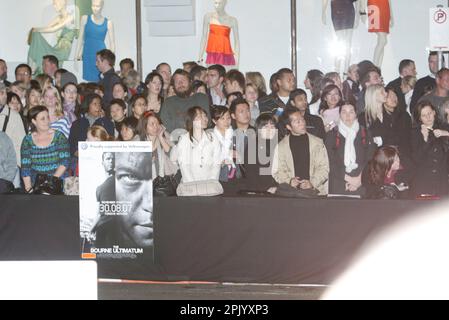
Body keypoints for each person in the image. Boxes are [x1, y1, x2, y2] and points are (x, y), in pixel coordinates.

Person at [94, 151, 153, 249]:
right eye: (108, 159)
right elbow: (98, 213)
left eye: (113, 158)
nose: (111, 161)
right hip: (103, 233)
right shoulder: (99, 188)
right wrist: (91, 229)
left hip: (116, 234)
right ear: (102, 162)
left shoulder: (116, 181)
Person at [272, 110, 329, 196]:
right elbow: (277, 171)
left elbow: (324, 168)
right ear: (289, 127)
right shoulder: (281, 146)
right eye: (297, 122)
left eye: (302, 119)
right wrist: (289, 181)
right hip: (291, 194)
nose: (302, 123)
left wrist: (312, 183)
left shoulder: (317, 143)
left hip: (315, 193)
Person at [325, 103, 375, 196]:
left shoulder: (366, 133)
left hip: (361, 180)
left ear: (356, 114)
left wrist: (359, 180)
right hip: (338, 181)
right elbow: (329, 162)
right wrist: (349, 179)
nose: (348, 116)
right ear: (339, 115)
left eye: (351, 112)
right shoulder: (331, 135)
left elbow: (370, 159)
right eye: (344, 112)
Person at [21, 105, 70, 193]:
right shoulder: (27, 140)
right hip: (36, 185)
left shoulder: (59, 137)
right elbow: (25, 168)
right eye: (42, 119)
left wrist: (50, 182)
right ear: (34, 121)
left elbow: (65, 162)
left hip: (58, 181)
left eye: (47, 117)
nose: (47, 121)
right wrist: (28, 189)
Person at [170, 106, 221, 186]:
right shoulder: (184, 139)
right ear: (192, 120)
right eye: (200, 116)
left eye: (205, 116)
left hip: (209, 185)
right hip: (190, 187)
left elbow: (216, 163)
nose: (205, 119)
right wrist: (192, 185)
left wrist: (212, 182)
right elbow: (184, 167)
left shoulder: (213, 138)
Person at [410, 101, 449, 198]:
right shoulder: (415, 133)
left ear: (434, 112)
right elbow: (416, 159)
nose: (428, 117)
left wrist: (446, 134)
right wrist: (425, 139)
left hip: (442, 181)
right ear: (419, 118)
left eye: (429, 113)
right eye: (424, 115)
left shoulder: (444, 128)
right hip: (423, 181)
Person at [27, 0, 76, 76]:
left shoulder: (70, 17)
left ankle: (32, 69)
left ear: (63, 2)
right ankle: (31, 69)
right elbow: (47, 27)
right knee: (36, 36)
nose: (54, 5)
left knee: (36, 33)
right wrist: (34, 31)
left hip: (64, 48)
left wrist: (36, 29)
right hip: (58, 46)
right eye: (53, 3)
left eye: (55, 3)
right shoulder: (59, 17)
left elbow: (54, 29)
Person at [76, 0, 116, 82]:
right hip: (88, 53)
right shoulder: (85, 19)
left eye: (97, 6)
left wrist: (111, 62)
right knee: (89, 81)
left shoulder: (108, 23)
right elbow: (80, 38)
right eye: (93, 6)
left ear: (102, 6)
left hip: (100, 56)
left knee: (100, 80)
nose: (95, 8)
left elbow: (112, 43)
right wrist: (76, 57)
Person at [198, 0, 240, 68]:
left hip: (226, 56)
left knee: (226, 77)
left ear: (225, 3)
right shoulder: (208, 17)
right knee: (211, 76)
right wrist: (200, 57)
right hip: (212, 55)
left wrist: (237, 62)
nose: (217, 6)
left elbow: (237, 42)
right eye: (215, 3)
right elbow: (204, 37)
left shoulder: (232, 20)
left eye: (219, 3)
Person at [322, 0, 360, 74]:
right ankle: (337, 71)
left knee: (348, 42)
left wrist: (358, 16)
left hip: (349, 9)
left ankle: (345, 71)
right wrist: (323, 11)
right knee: (340, 41)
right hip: (336, 10)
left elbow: (357, 1)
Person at [360, 0, 393, 67]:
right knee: (383, 40)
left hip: (384, 6)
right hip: (374, 6)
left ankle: (378, 69)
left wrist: (391, 16)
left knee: (382, 40)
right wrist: (362, 13)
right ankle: (374, 68)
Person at [0, 83, 26, 166]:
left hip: (8, 168)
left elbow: (21, 145)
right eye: (1, 92)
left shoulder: (13, 116)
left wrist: (24, 169)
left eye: (4, 92)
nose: (4, 95)